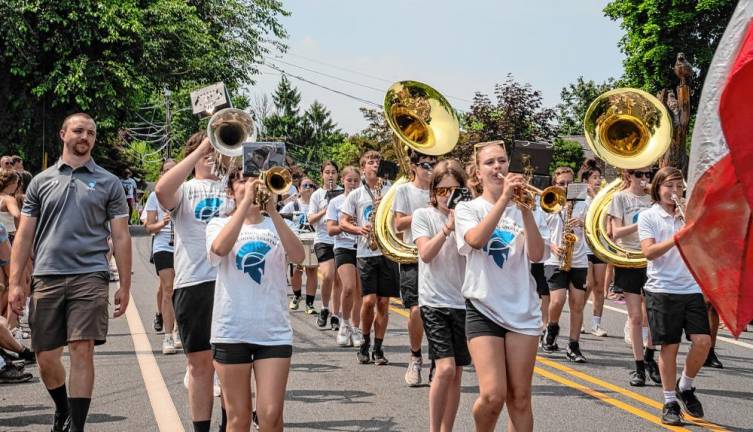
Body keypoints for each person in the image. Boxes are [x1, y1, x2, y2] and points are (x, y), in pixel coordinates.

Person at [8, 113, 132, 432]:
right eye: (78, 130)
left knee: (81, 348)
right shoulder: (40, 182)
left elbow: (121, 236)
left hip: (90, 276)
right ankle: (62, 408)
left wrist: (126, 285)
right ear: (63, 134)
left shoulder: (108, 182)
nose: (85, 136)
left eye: (91, 132)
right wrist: (15, 284)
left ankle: (77, 426)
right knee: (46, 357)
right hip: (47, 277)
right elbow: (23, 235)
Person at [455, 141, 544, 432]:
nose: (497, 167)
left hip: (522, 310)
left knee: (520, 398)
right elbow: (476, 240)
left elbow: (537, 254)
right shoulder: (468, 208)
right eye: (490, 162)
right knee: (493, 396)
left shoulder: (522, 208)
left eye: (502, 161)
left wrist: (526, 210)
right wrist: (504, 200)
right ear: (477, 173)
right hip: (484, 307)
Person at [207, 167, 304, 432]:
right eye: (241, 180)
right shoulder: (217, 223)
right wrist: (245, 204)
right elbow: (219, 249)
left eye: (254, 179)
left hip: (273, 332)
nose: (249, 184)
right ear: (230, 191)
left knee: (271, 415)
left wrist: (272, 210)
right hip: (231, 331)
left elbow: (298, 256)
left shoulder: (277, 223)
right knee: (237, 419)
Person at [155, 132, 232, 432]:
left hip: (231, 285)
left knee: (230, 367)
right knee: (200, 366)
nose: (212, 156)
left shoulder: (233, 188)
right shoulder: (185, 189)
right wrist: (202, 147)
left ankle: (230, 426)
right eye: (206, 152)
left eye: (217, 151)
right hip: (195, 283)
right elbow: (162, 189)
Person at [638, 167, 711, 426]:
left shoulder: (688, 215)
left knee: (703, 342)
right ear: (658, 188)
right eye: (669, 186)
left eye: (679, 186)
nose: (674, 191)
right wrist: (679, 237)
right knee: (670, 347)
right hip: (662, 288)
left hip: (691, 287)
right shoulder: (648, 216)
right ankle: (669, 401)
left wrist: (693, 225)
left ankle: (686, 385)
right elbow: (649, 252)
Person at [412, 160, 469, 432]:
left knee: (456, 373)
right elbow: (425, 254)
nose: (448, 196)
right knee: (444, 369)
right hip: (434, 301)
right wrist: (448, 227)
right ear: (433, 192)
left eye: (454, 190)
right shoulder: (424, 216)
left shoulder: (469, 217)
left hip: (464, 302)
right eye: (443, 190)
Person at [340, 150, 399, 365]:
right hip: (365, 251)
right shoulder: (356, 194)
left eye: (377, 162)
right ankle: (364, 341)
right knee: (368, 301)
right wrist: (358, 229)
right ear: (363, 167)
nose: (374, 165)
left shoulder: (391, 190)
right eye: (370, 162)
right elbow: (343, 221)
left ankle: (378, 347)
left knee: (383, 303)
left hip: (387, 251)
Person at [609, 167, 661, 386]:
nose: (644, 179)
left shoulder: (654, 198)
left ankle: (650, 356)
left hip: (653, 258)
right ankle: (639, 366)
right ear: (628, 176)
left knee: (653, 315)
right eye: (639, 174)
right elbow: (615, 232)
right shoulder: (620, 198)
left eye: (647, 175)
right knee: (635, 317)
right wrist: (642, 224)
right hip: (629, 258)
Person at [393, 150, 436, 386]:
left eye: (433, 164)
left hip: (438, 255)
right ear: (414, 167)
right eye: (425, 165)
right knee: (416, 310)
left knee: (437, 311)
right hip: (412, 254)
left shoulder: (441, 188)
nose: (429, 169)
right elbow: (398, 223)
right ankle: (415, 356)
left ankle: (437, 359)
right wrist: (424, 211)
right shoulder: (404, 190)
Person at [541, 166, 589, 363]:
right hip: (555, 258)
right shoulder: (548, 203)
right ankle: (552, 326)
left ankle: (573, 345)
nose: (565, 186)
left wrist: (583, 224)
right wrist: (552, 246)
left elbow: (596, 230)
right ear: (555, 184)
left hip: (578, 258)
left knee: (577, 304)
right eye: (561, 183)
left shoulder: (584, 205)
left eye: (569, 183)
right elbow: (540, 231)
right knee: (558, 300)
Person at [326, 166, 365, 347]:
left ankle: (356, 328)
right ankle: (344, 323)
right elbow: (331, 229)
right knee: (348, 287)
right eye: (349, 180)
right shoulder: (336, 202)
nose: (352, 183)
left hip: (363, 247)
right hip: (343, 246)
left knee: (359, 291)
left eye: (356, 180)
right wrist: (346, 225)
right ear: (343, 181)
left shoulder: (365, 199)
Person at [144, 159, 180, 354]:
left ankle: (179, 331)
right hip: (163, 245)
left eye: (174, 170)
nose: (170, 173)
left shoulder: (186, 192)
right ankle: (168, 336)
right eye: (166, 171)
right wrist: (162, 223)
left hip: (184, 247)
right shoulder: (154, 197)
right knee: (168, 289)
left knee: (182, 290)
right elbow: (148, 227)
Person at [307, 161, 342, 329]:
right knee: (328, 275)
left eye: (333, 172)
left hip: (341, 240)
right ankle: (324, 307)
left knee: (339, 279)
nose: (330, 175)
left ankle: (335, 315)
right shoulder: (317, 195)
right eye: (327, 172)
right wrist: (326, 209)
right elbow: (311, 219)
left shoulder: (344, 192)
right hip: (323, 239)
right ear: (322, 174)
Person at [281, 177, 318, 314]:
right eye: (305, 185)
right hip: (297, 241)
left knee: (312, 271)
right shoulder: (293, 205)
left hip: (313, 240)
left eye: (311, 185)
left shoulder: (317, 205)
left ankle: (310, 303)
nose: (308, 187)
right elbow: (281, 218)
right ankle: (297, 295)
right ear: (299, 189)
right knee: (297, 270)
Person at [581, 160, 609, 337]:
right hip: (585, 247)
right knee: (588, 285)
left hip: (600, 247)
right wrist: (591, 196)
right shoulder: (582, 199)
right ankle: (579, 319)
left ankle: (596, 324)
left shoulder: (605, 199)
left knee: (600, 288)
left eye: (599, 177)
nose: (598, 180)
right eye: (594, 177)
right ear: (586, 180)